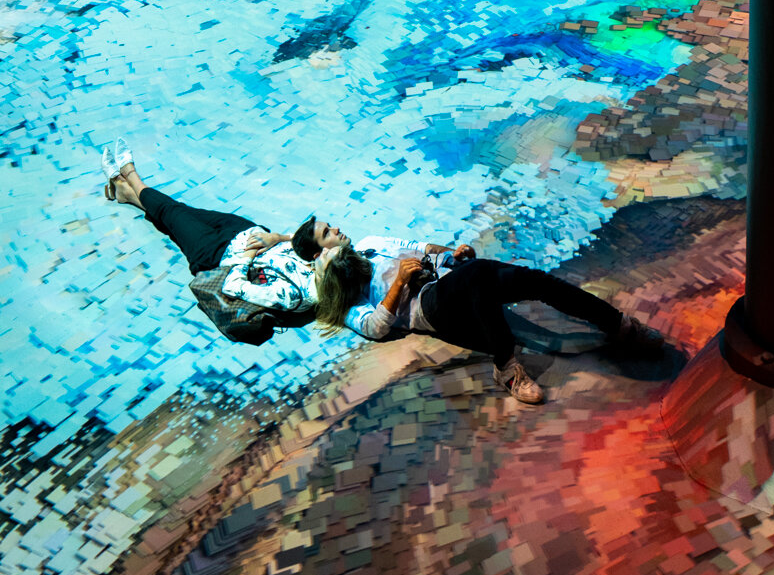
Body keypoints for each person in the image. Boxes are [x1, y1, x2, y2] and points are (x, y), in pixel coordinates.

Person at [314, 232, 664, 404]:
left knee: (535, 282)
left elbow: (422, 248)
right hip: (429, 304)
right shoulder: (349, 304)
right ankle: (508, 368)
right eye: (328, 254)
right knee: (477, 276)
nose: (336, 247)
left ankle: (617, 325)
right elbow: (376, 329)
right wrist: (400, 285)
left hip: (455, 275)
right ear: (332, 279)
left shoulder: (372, 244)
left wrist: (451, 251)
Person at [100, 141, 347, 313]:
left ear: (321, 254)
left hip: (215, 253)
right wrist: (278, 237)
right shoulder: (322, 260)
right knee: (178, 211)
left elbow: (233, 286)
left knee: (170, 211)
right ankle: (128, 195)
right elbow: (300, 239)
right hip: (243, 230)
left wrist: (248, 257)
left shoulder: (294, 294)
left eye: (328, 234)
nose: (336, 231)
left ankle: (128, 174)